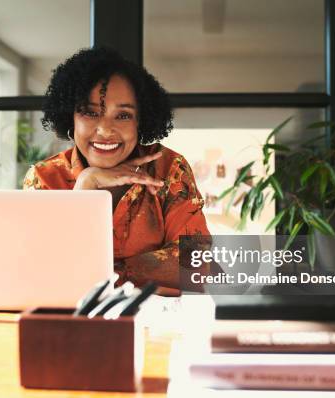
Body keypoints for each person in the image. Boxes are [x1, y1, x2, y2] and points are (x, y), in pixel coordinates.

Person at [23, 47, 210, 291]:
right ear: (71, 118)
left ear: (140, 122)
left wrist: (108, 273)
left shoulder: (169, 170)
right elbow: (39, 271)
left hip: (151, 323)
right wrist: (86, 184)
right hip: (70, 321)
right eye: (90, 113)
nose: (105, 130)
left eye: (123, 116)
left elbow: (197, 264)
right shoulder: (45, 178)